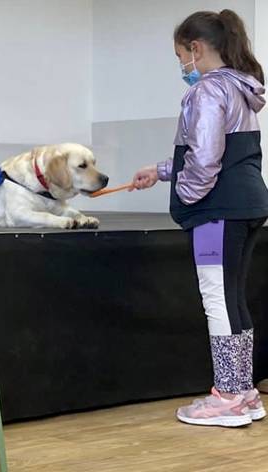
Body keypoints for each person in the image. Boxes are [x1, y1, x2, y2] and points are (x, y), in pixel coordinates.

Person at [132, 9, 268, 427]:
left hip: (218, 212)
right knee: (232, 298)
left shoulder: (207, 91)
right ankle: (243, 392)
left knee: (218, 301)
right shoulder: (242, 89)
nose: (181, 67)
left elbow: (206, 160)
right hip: (248, 206)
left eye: (180, 57)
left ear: (196, 48)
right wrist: (161, 171)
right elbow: (214, 151)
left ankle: (228, 397)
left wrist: (188, 201)